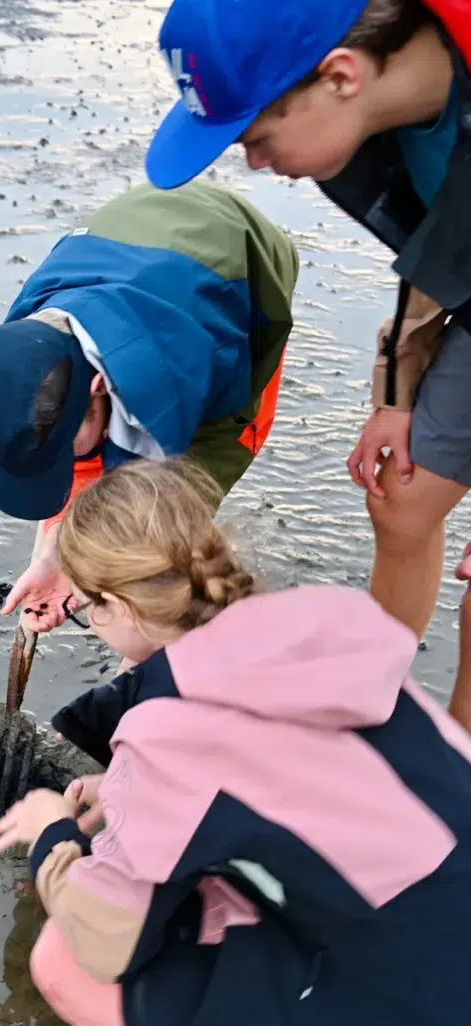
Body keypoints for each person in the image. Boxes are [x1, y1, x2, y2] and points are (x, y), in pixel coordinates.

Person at [0, 457, 471, 1026]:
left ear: (119, 606)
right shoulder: (328, 620)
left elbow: (109, 943)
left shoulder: (165, 736)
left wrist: (53, 834)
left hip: (423, 1025)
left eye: (85, 611)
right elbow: (300, 769)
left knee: (67, 961)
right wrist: (128, 793)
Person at [143, 0, 471, 642]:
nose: (255, 165)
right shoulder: (376, 122)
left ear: (341, 76)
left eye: (256, 140)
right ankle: (372, 706)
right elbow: (443, 242)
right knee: (402, 497)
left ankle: (456, 741)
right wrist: (397, 395)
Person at [0, 179, 298, 633]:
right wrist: (56, 553)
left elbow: (150, 510)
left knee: (161, 535)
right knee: (79, 446)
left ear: (99, 386)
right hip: (136, 237)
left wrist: (135, 616)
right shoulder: (25, 346)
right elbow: (60, 439)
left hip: (243, 268)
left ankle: (174, 666)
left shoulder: (164, 379)